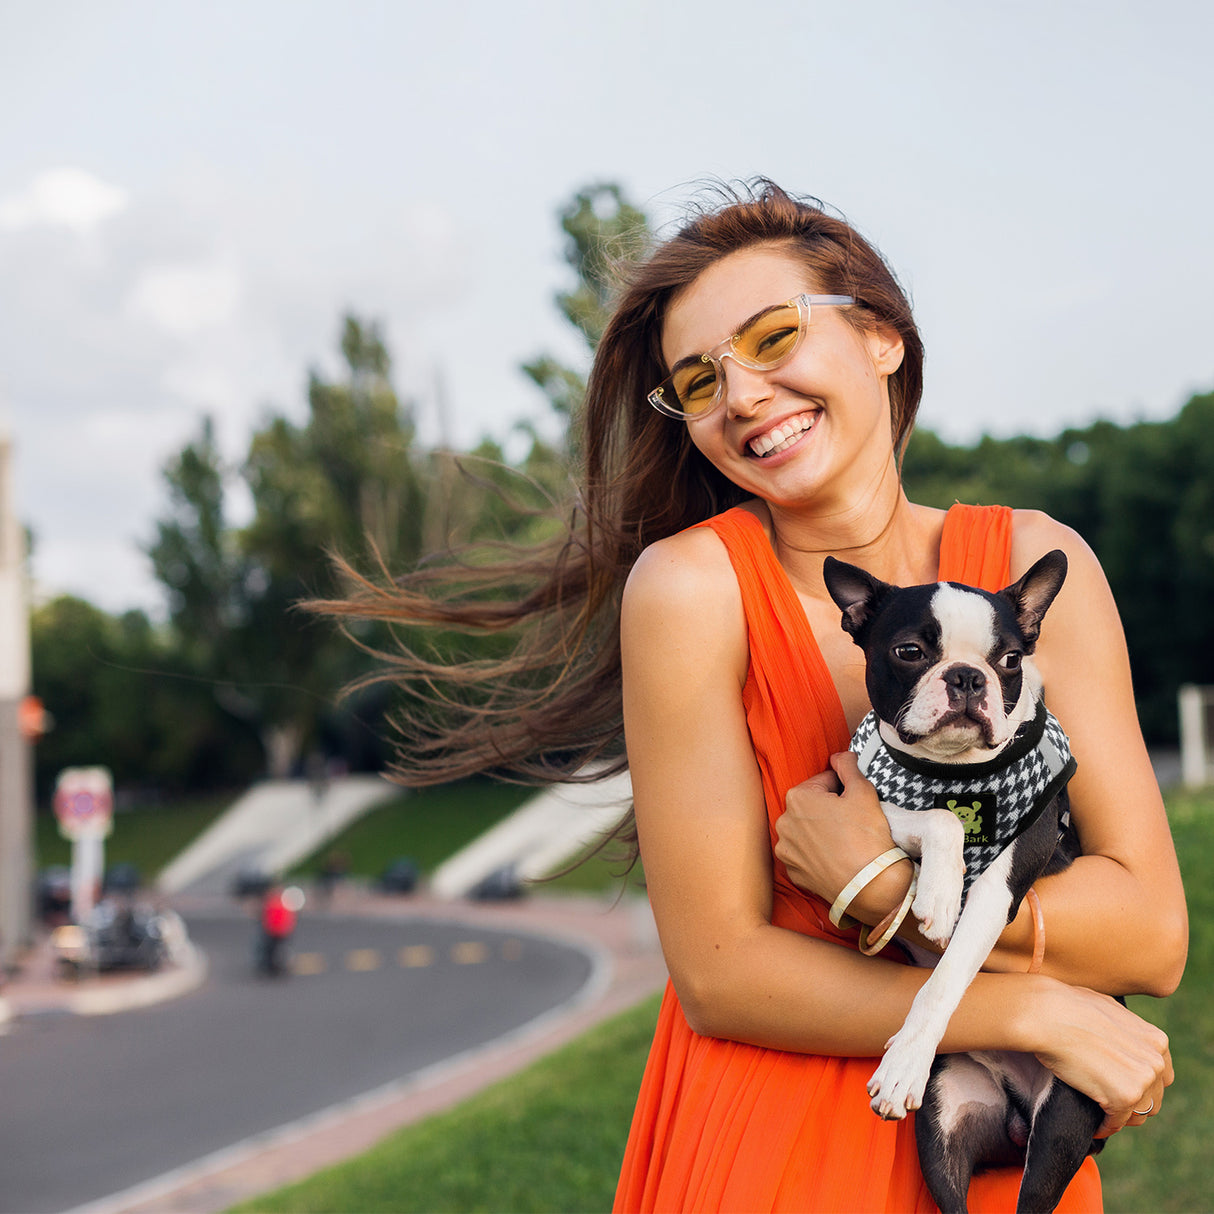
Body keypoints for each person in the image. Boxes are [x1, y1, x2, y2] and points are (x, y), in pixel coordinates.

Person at [321, 181, 1186, 1212]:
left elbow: (1150, 931)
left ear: (880, 336)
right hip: (774, 1146)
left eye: (772, 335)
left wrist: (874, 886)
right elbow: (721, 971)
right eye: (696, 381)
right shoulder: (691, 590)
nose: (738, 393)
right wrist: (1038, 1010)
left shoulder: (1042, 564)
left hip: (989, 1162)